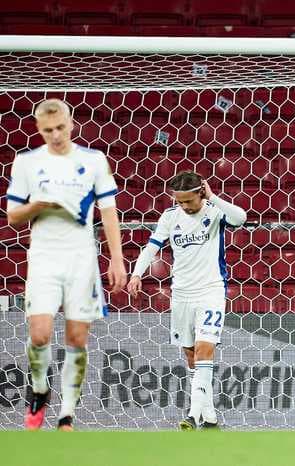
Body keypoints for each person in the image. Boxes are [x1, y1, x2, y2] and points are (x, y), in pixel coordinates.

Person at [5, 98, 126, 431]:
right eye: (48, 130)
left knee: (76, 338)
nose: (55, 135)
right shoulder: (27, 162)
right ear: (39, 130)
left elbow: (108, 211)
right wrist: (38, 205)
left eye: (60, 128)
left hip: (82, 260)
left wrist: (116, 258)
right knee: (40, 334)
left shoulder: (94, 160)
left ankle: (67, 414)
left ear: (71, 124)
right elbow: (13, 216)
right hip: (44, 258)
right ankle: (40, 388)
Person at [127, 171, 246, 430]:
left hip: (211, 291)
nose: (184, 206)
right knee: (192, 358)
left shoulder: (214, 212)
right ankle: (210, 416)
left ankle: (192, 415)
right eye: (179, 201)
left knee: (205, 350)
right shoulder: (170, 217)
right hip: (181, 295)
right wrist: (136, 274)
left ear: (201, 192)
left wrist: (213, 197)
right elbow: (152, 247)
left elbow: (241, 217)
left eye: (188, 201)